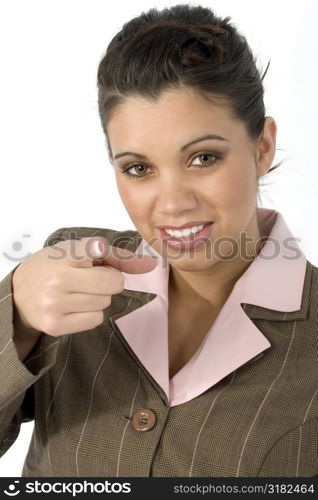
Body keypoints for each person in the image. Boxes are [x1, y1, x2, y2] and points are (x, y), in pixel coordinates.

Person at [0, 3, 317, 478]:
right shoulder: (66, 275)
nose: (171, 204)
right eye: (138, 168)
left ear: (262, 147)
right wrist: (16, 317)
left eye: (203, 158)